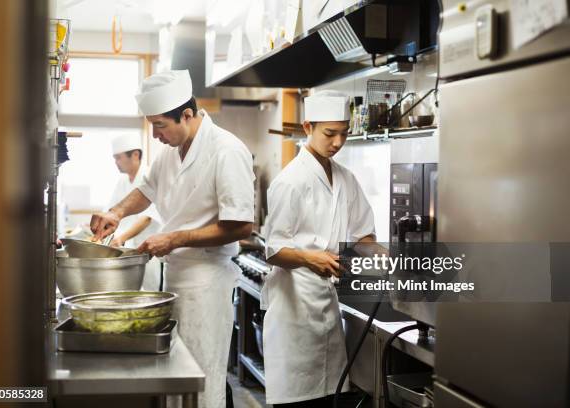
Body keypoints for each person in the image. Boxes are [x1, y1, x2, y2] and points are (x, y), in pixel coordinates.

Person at [90, 70, 255, 408]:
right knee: (177, 380)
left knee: (201, 379)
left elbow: (241, 226)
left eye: (160, 125)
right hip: (176, 280)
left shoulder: (226, 150)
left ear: (187, 115)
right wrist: (116, 213)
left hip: (207, 284)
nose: (155, 134)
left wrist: (174, 239)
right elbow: (144, 192)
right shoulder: (169, 152)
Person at [261, 90, 377, 407]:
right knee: (298, 400)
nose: (338, 142)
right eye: (330, 133)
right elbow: (273, 250)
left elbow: (363, 236)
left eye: (344, 133)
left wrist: (396, 260)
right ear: (307, 127)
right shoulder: (290, 181)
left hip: (326, 304)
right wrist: (309, 258)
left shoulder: (345, 178)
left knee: (328, 398)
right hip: (294, 310)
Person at [107, 134, 162, 291]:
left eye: (118, 157)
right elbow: (111, 211)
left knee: (148, 296)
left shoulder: (149, 176)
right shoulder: (122, 181)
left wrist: (121, 238)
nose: (115, 162)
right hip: (125, 248)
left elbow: (147, 218)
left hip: (147, 249)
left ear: (135, 155)